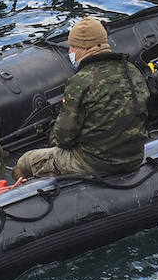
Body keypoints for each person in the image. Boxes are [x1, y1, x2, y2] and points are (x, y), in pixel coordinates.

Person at [13, 17, 149, 179]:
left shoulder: (81, 80)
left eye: (73, 46)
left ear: (85, 48)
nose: (70, 51)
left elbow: (64, 138)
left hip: (96, 162)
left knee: (27, 161)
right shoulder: (131, 70)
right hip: (134, 157)